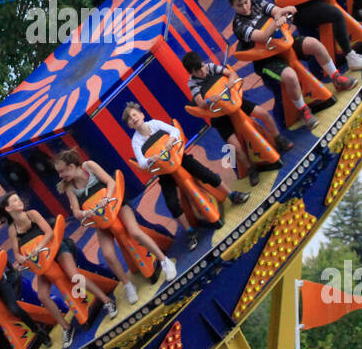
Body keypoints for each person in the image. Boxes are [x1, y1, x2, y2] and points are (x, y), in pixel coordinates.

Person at [0, 192, 115, 348]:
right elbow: (16, 252)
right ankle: (66, 327)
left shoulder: (32, 214)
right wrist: (21, 259)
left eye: (18, 198)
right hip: (42, 262)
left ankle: (107, 301)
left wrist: (38, 247)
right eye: (15, 201)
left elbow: (48, 232)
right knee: (42, 295)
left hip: (56, 250)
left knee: (73, 275)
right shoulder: (12, 229)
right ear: (8, 208)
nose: (19, 201)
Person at [122, 102, 249, 250]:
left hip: (179, 158)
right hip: (164, 172)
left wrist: (170, 140)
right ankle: (190, 231)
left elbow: (174, 132)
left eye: (134, 114)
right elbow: (142, 162)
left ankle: (231, 194)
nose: (133, 118)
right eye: (130, 119)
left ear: (142, 115)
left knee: (205, 173)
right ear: (130, 125)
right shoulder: (136, 141)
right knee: (171, 202)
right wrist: (150, 159)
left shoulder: (155, 124)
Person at [53, 150, 177, 299]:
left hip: (117, 207)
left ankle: (165, 261)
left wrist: (106, 198)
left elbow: (111, 182)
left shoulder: (89, 166)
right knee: (108, 254)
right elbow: (76, 212)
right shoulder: (69, 187)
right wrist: (88, 213)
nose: (61, 176)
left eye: (62, 171)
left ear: (72, 166)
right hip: (100, 219)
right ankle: (127, 285)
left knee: (134, 231)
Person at [181, 50, 293, 186]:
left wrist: (231, 82)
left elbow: (231, 73)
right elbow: (201, 103)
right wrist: (211, 100)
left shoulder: (210, 67)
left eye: (201, 67)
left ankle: (278, 138)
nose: (202, 72)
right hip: (219, 115)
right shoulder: (192, 83)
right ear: (191, 73)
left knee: (264, 114)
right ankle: (251, 169)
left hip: (233, 101)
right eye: (197, 71)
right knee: (236, 147)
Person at [227, 0, 326, 126]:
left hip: (283, 45)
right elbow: (262, 36)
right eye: (239, 5)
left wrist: (285, 10)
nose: (245, 7)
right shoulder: (239, 26)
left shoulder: (258, 3)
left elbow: (277, 11)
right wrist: (275, 22)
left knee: (314, 44)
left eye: (246, 2)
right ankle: (303, 111)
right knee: (290, 76)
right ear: (233, 6)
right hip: (266, 61)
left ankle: (336, 76)